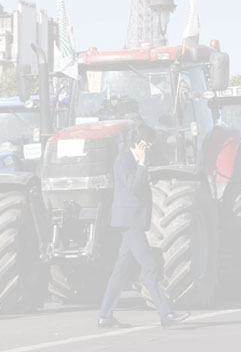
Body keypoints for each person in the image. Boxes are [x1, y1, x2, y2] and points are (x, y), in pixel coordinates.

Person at [98, 122, 190, 329]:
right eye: (147, 142)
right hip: (129, 222)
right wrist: (142, 163)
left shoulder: (133, 159)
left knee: (120, 270)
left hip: (133, 220)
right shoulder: (124, 160)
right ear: (138, 142)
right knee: (149, 266)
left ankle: (105, 316)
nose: (149, 145)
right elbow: (133, 187)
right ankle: (166, 313)